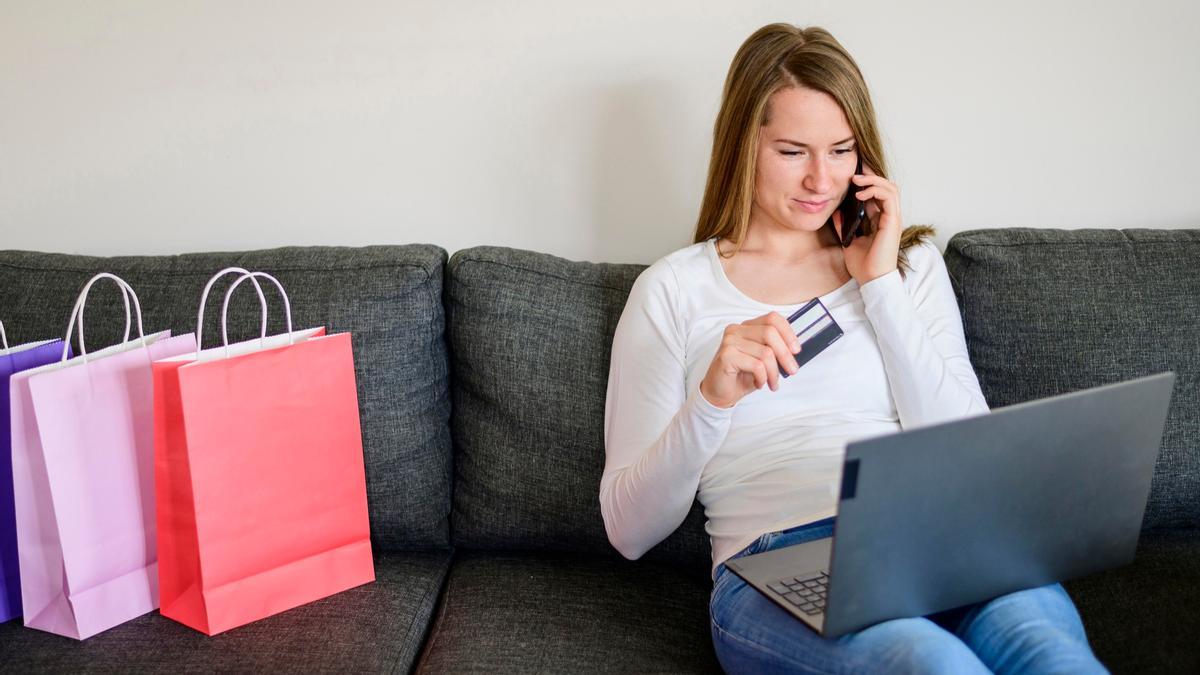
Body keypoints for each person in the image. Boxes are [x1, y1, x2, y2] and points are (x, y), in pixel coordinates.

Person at [599, 23, 1108, 674]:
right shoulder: (673, 290)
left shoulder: (908, 265)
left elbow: (965, 444)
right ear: (741, 145)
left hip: (938, 529)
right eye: (792, 151)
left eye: (841, 150)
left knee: (1051, 655)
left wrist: (879, 284)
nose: (821, 178)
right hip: (779, 555)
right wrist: (710, 399)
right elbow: (627, 529)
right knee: (932, 664)